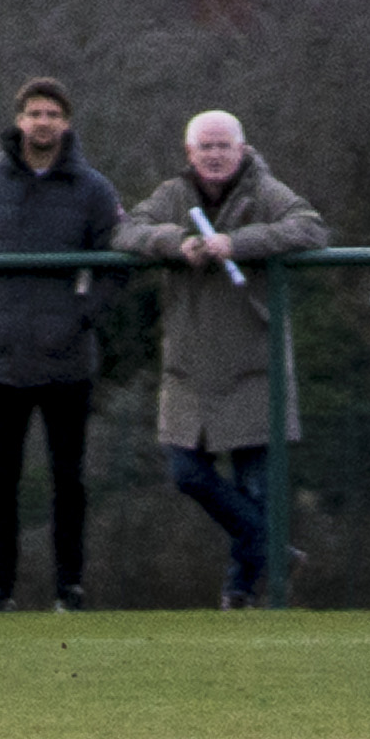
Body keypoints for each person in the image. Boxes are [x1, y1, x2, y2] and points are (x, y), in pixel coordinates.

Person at [120, 107, 321, 607]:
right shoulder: (173, 195)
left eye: (222, 146)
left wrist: (239, 243)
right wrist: (174, 244)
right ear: (189, 153)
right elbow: (127, 230)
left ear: (242, 149)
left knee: (257, 488)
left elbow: (310, 228)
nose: (213, 155)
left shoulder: (265, 192)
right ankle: (275, 551)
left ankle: (239, 590)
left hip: (255, 367)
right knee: (186, 473)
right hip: (188, 369)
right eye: (204, 147)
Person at [0, 78, 119, 611]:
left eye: (52, 113)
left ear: (66, 123)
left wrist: (82, 317)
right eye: (33, 113)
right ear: (18, 120)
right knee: (2, 478)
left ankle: (69, 585)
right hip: (1, 360)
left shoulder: (93, 189)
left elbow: (117, 265)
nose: (42, 122)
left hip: (68, 360)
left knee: (69, 479)